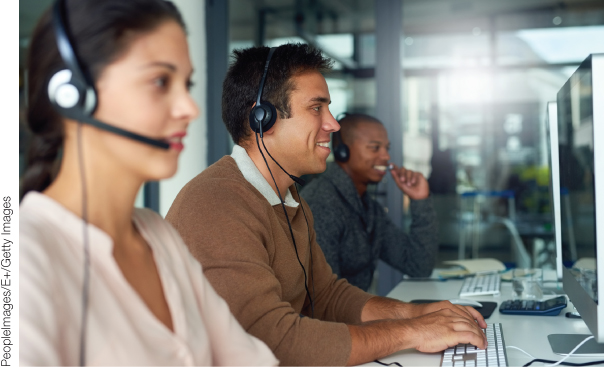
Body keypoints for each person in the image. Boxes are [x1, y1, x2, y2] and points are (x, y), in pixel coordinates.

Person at [165, 43, 487, 366]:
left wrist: (417, 313)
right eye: (317, 108)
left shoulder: (292, 202)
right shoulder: (216, 205)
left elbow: (328, 295)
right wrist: (412, 332)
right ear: (262, 118)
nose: (333, 125)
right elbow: (272, 342)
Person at [20, 1, 278, 365]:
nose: (189, 108)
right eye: (160, 81)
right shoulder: (22, 262)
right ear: (73, 95)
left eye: (185, 84)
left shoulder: (159, 235)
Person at [300, 113, 438, 291]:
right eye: (375, 148)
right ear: (343, 152)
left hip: (349, 316)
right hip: (329, 318)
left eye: (386, 148)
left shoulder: (368, 209)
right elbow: (324, 297)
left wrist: (420, 200)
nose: (386, 156)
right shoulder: (321, 204)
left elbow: (418, 266)